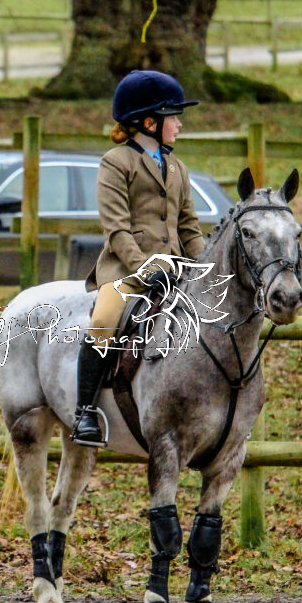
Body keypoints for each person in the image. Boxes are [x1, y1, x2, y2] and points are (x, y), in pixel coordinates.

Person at [71, 70, 206, 448]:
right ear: (149, 122)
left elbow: (189, 227)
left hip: (176, 270)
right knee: (104, 319)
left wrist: (204, 268)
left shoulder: (177, 167)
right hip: (127, 270)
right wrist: (147, 268)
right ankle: (84, 412)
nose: (179, 124)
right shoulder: (115, 163)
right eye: (173, 117)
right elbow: (116, 230)